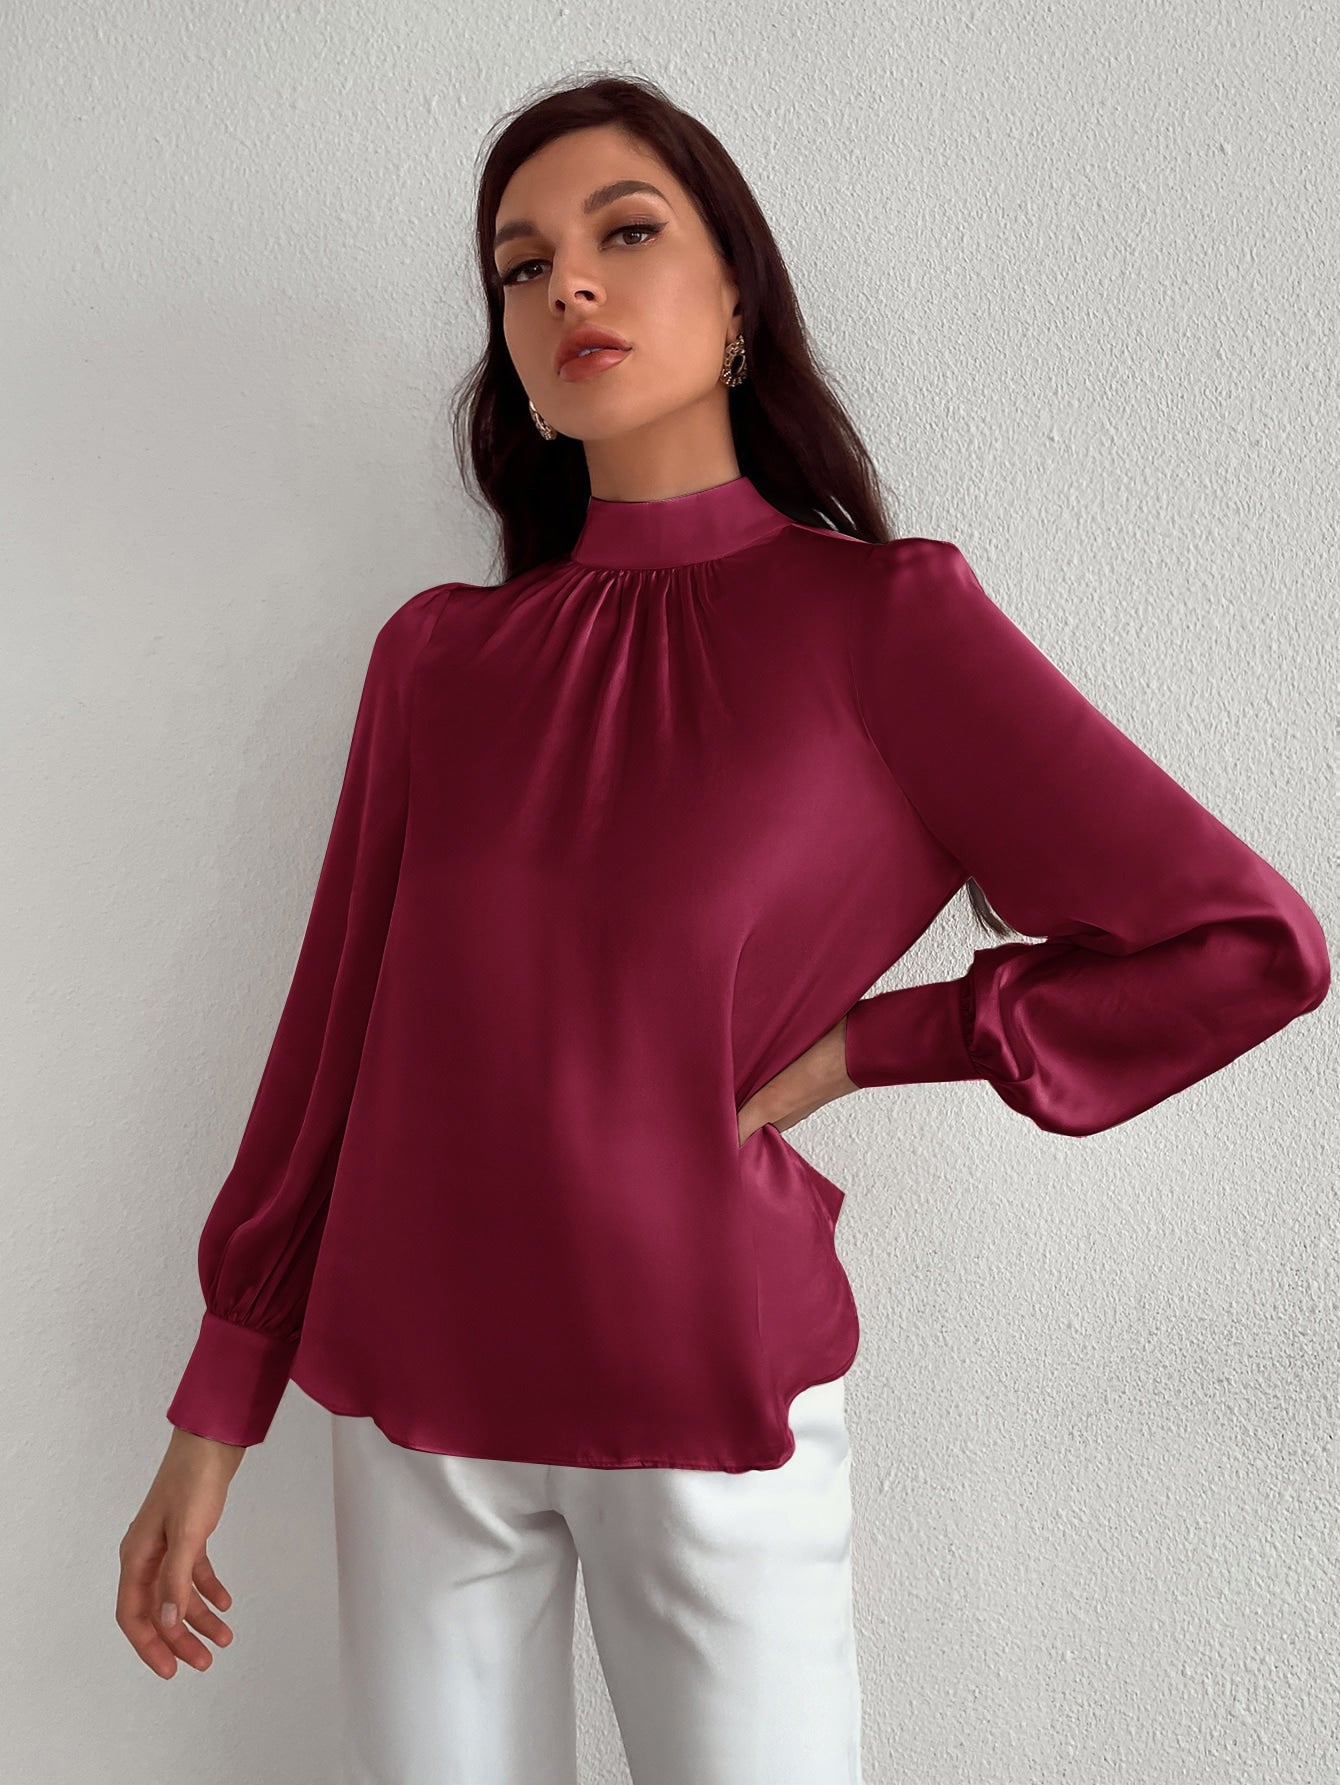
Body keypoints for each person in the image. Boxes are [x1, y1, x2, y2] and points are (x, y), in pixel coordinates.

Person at [116, 74, 1330, 1785]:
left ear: (739, 297)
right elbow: (333, 1037)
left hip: (706, 1391)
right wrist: (215, 1405)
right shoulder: (439, 661)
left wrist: (875, 1045)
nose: (568, 284)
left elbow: (1244, 941)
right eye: (520, 266)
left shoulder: (884, 626)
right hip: (413, 1406)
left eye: (623, 233)